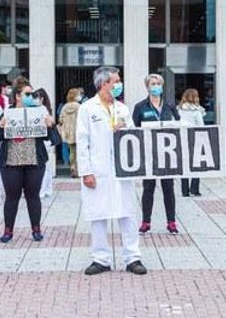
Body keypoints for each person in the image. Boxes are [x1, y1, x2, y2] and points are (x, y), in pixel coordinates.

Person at [77, 66, 147, 275]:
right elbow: (82, 141)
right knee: (98, 215)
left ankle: (133, 258)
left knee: (128, 213)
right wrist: (86, 171)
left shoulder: (123, 108)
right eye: (115, 81)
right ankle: (101, 259)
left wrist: (124, 131)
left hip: (122, 169)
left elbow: (133, 136)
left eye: (119, 81)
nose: (118, 85)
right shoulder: (87, 109)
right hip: (98, 169)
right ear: (103, 84)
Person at [0, 78, 58, 243]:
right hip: (11, 162)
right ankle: (8, 231)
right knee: (12, 196)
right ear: (17, 96)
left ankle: (36, 229)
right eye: (27, 94)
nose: (31, 97)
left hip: (34, 161)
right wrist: (1, 126)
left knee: (33, 196)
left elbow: (55, 140)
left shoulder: (40, 111)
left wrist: (51, 125)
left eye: (32, 94)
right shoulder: (7, 112)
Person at [133, 74, 181, 235]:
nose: (156, 86)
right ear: (147, 87)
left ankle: (171, 222)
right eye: (152, 84)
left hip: (167, 155)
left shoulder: (169, 105)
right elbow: (134, 129)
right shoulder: (140, 107)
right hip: (149, 154)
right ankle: (146, 221)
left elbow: (178, 124)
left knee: (169, 188)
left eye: (158, 83)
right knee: (148, 188)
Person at [178, 88, 206, 197]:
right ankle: (195, 188)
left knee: (184, 166)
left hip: (182, 140)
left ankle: (185, 190)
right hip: (195, 140)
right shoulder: (196, 111)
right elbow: (201, 126)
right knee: (196, 165)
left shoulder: (179, 110)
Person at [34, 88, 59, 199]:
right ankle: (47, 189)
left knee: (43, 166)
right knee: (46, 166)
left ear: (41, 99)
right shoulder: (44, 108)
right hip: (46, 141)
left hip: (43, 140)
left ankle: (42, 190)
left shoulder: (42, 108)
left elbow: (50, 121)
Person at [59, 87, 83, 178]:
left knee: (72, 151)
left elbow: (60, 119)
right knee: (80, 151)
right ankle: (79, 169)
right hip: (78, 131)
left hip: (68, 132)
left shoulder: (64, 107)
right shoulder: (79, 106)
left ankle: (72, 167)